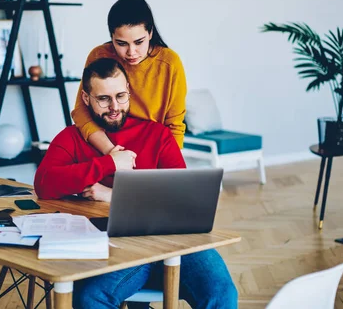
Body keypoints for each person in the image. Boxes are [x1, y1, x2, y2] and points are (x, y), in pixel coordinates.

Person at [34, 58, 237, 308]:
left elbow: (182, 199)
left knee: (222, 293)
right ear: (86, 98)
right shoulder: (72, 137)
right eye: (103, 99)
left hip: (175, 240)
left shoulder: (157, 135)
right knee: (89, 298)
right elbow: (44, 184)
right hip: (119, 246)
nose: (114, 107)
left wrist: (111, 194)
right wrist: (110, 163)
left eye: (121, 96)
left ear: (129, 91)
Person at [70, 0, 187, 160]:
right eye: (121, 43)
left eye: (139, 42)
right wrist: (111, 152)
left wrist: (170, 168)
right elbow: (81, 111)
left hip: (151, 149)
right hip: (105, 143)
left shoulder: (170, 63)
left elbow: (175, 126)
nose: (131, 52)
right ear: (111, 37)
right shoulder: (99, 55)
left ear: (150, 33)